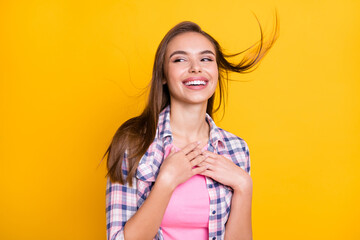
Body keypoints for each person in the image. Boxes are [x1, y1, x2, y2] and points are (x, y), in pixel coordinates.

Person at [105, 17, 278, 240]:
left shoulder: (235, 148)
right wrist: (166, 182)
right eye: (180, 60)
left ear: (216, 71)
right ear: (164, 75)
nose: (196, 68)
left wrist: (244, 186)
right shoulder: (134, 143)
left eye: (206, 59)